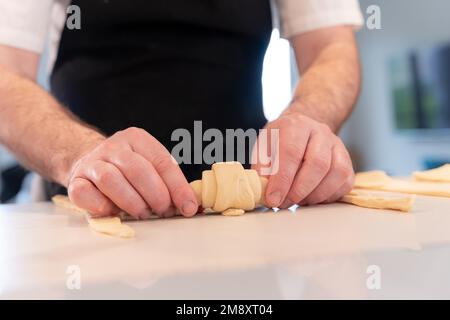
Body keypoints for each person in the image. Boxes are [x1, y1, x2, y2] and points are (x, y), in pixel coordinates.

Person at [0, 0, 363, 219]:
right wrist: (79, 155)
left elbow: (330, 46)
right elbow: (6, 72)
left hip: (247, 219)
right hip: (90, 219)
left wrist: (309, 117)